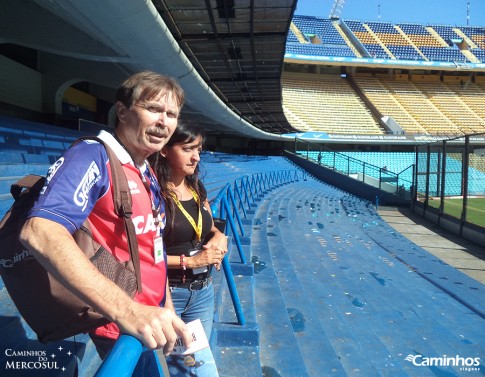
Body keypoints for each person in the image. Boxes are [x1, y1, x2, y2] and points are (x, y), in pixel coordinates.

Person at [19, 71, 193, 365]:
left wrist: (168, 306)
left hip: (152, 319)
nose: (164, 122)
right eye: (153, 109)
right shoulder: (92, 155)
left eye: (171, 114)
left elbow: (153, 249)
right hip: (122, 329)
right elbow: (39, 231)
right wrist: (127, 311)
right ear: (122, 111)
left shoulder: (145, 168)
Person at [149, 122, 227, 339]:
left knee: (198, 367)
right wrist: (191, 262)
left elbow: (209, 226)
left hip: (203, 291)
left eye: (198, 150)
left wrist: (219, 236)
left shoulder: (196, 189)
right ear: (164, 149)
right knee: (168, 368)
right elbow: (145, 254)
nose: (196, 157)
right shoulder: (153, 194)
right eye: (187, 149)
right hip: (169, 293)